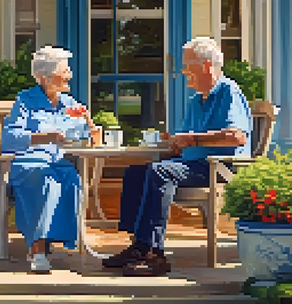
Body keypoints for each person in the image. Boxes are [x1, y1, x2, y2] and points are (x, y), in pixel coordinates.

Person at [102, 37, 252, 276]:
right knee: (135, 172)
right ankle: (139, 246)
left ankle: (155, 254)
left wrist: (193, 139)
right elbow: (190, 140)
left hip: (216, 167)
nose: (183, 72)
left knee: (160, 171)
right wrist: (176, 142)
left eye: (186, 66)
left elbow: (237, 137)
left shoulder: (228, 91)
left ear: (204, 65)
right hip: (191, 163)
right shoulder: (196, 100)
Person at [1, 46, 100, 274]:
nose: (69, 75)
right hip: (29, 162)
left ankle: (50, 242)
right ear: (45, 77)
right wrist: (47, 137)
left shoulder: (69, 103)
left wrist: (89, 122)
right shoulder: (25, 101)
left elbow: (85, 138)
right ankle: (38, 249)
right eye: (64, 70)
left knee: (70, 179)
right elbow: (10, 138)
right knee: (46, 181)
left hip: (58, 162)